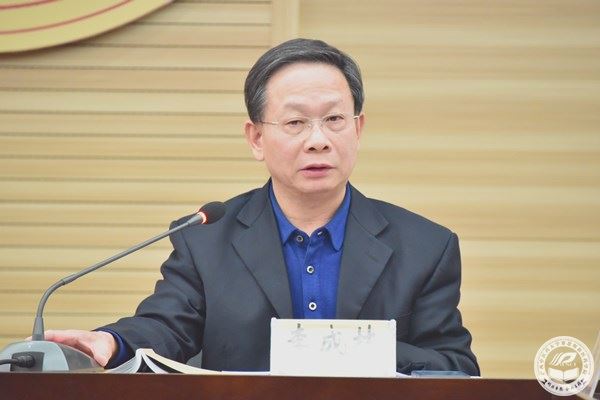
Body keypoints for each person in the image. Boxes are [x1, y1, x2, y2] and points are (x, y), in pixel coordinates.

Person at [44, 38, 479, 375]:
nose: (318, 140)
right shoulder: (205, 239)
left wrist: (354, 350)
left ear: (358, 129)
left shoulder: (426, 246)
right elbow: (166, 326)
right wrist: (111, 341)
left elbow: (455, 365)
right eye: (295, 122)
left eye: (334, 119)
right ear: (256, 138)